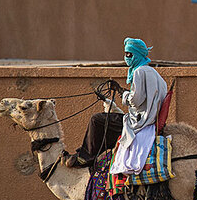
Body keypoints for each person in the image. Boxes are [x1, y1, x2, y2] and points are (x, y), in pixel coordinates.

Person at [64, 37, 167, 171]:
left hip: (139, 122)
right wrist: (122, 91)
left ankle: (85, 157)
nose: (126, 57)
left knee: (97, 120)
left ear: (137, 54)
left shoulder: (139, 72)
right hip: (146, 118)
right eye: (125, 54)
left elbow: (135, 101)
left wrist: (121, 92)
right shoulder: (153, 73)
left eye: (129, 54)